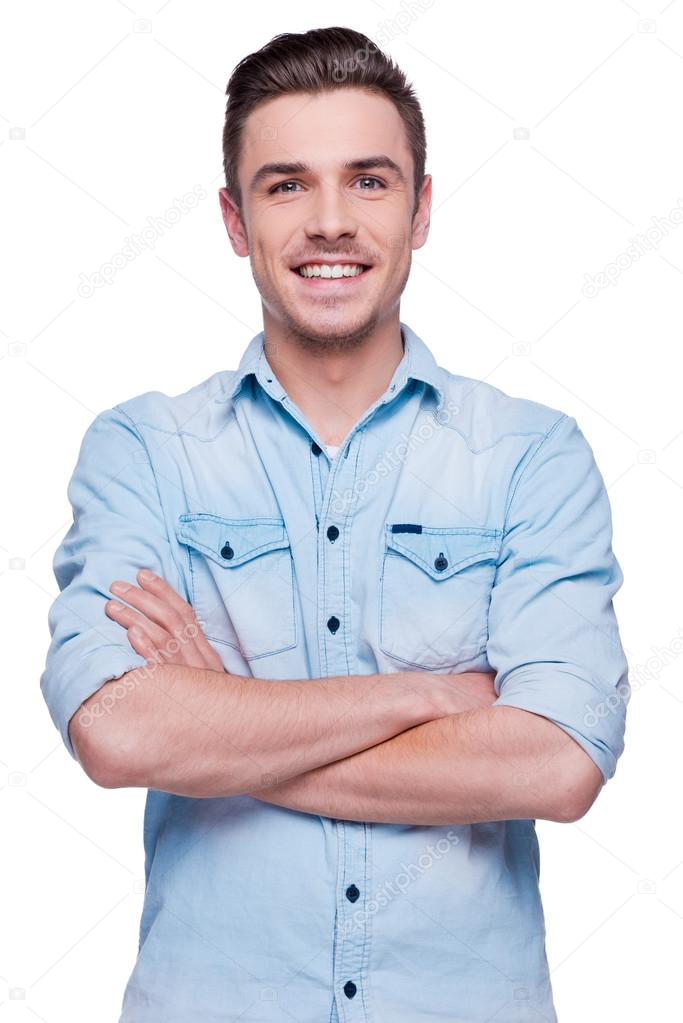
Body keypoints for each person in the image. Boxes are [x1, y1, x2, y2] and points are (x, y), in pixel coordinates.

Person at [40, 26, 629, 1023]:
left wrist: (229, 719)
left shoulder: (531, 456)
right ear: (233, 219)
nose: (328, 222)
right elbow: (117, 728)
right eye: (284, 186)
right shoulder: (144, 450)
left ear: (420, 207)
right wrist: (431, 697)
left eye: (367, 181)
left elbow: (558, 761)